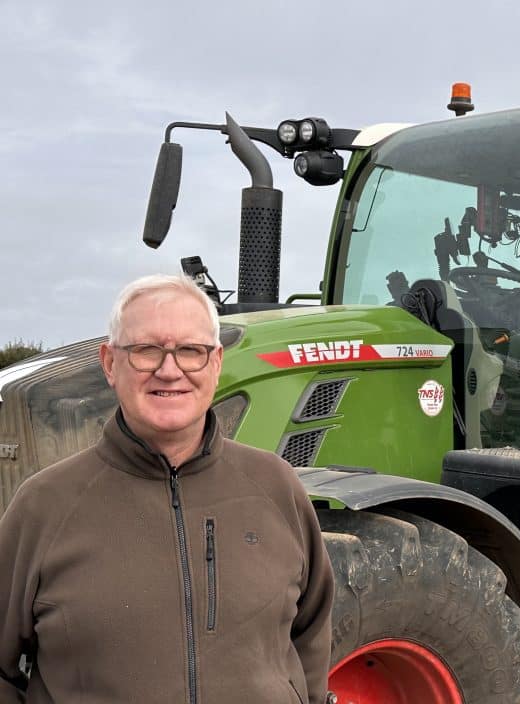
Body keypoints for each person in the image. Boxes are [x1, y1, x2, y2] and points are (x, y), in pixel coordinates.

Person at [0, 274, 335, 704]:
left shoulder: (275, 486)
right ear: (109, 362)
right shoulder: (44, 505)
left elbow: (311, 629)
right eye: (145, 350)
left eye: (191, 351)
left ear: (215, 363)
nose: (170, 369)